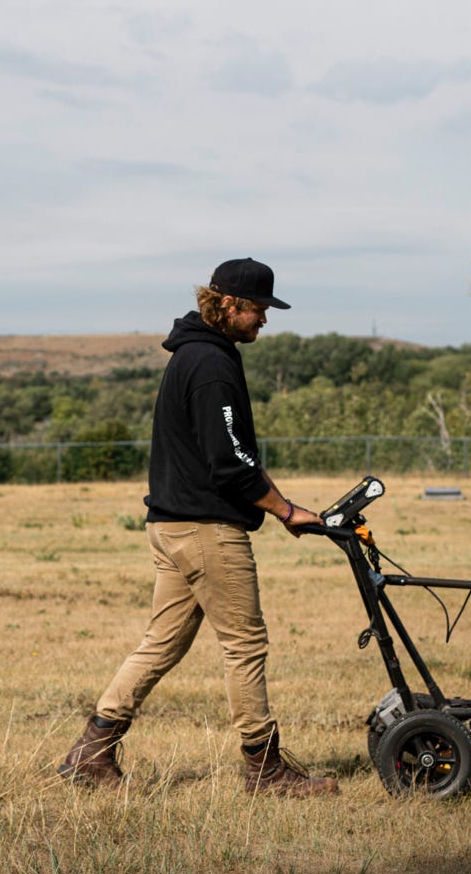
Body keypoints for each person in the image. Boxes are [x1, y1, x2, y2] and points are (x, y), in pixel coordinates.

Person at [59, 258, 338, 797]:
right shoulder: (211, 366)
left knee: (161, 642)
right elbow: (230, 463)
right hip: (205, 529)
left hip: (172, 525)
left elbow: (230, 450)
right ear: (228, 304)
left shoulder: (195, 354)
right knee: (245, 643)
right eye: (258, 309)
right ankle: (265, 769)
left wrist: (277, 500)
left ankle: (90, 752)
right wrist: (285, 511)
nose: (264, 320)